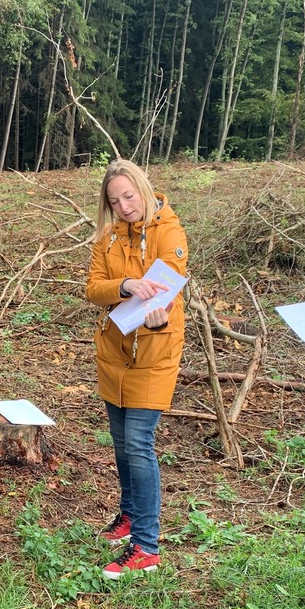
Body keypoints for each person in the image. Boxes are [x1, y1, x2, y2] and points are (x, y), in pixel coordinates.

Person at [85, 159, 188, 580]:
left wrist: (157, 315)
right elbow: (93, 288)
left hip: (155, 352)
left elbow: (170, 283)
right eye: (115, 201)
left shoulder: (170, 232)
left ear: (144, 190)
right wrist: (124, 286)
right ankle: (128, 515)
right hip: (113, 350)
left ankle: (146, 545)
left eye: (129, 196)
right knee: (121, 441)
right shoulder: (107, 237)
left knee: (139, 443)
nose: (124, 206)